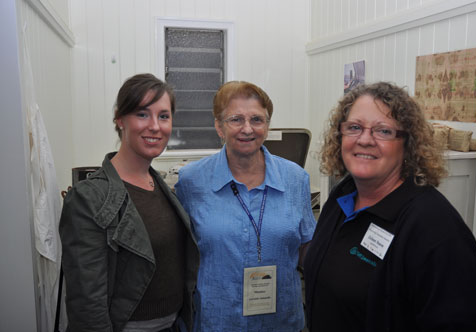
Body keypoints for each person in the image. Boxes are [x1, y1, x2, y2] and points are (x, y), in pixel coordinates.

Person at [303, 82, 476, 331]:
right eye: (354, 127)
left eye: (383, 131)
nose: (365, 140)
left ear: (408, 144)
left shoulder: (436, 229)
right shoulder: (341, 196)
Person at [59, 73, 199, 332]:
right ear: (120, 119)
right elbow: (87, 306)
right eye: (142, 114)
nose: (155, 126)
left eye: (164, 116)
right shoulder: (88, 199)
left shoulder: (161, 187)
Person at [174, 81, 316, 331]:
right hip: (217, 321)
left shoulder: (295, 179)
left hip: (281, 321)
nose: (247, 129)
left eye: (257, 119)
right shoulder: (191, 181)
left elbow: (308, 248)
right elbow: (179, 254)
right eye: (236, 119)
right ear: (219, 126)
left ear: (267, 125)